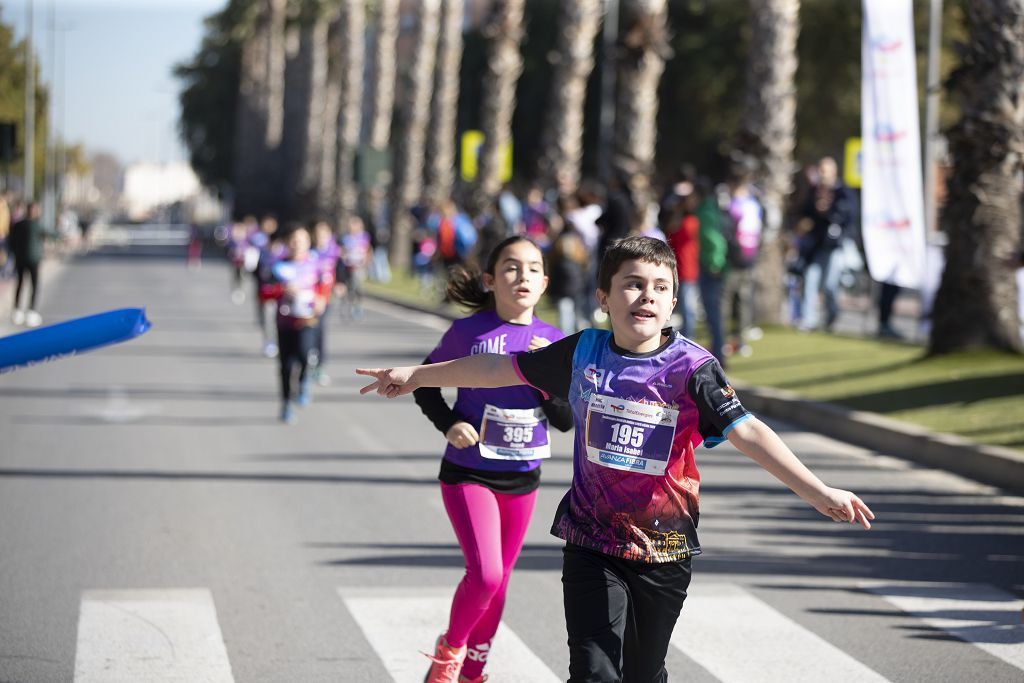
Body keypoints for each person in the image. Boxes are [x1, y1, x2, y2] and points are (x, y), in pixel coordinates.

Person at [357, 235, 875, 682]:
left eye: (660, 287)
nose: (646, 295)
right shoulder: (582, 351)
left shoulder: (694, 369)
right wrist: (418, 375)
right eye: (632, 284)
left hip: (663, 548)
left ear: (673, 302)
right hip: (591, 541)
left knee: (642, 673)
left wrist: (819, 492)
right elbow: (500, 369)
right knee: (594, 671)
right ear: (603, 297)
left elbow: (749, 432)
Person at [410, 236, 572, 683]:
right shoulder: (468, 333)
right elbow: (423, 382)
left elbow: (565, 420)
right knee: (484, 575)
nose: (522, 277)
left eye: (533, 269)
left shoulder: (555, 341)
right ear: (490, 280)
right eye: (511, 268)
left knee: (499, 583)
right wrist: (448, 424)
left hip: (523, 476)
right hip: (468, 471)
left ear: (544, 283)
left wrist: (546, 381)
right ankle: (450, 653)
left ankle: (472, 674)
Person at [260, 225, 332, 424]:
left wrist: (321, 299)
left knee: (304, 355)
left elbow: (325, 287)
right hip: (284, 322)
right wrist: (281, 290)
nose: (297, 244)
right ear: (287, 243)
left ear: (308, 243)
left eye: (301, 240)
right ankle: (285, 404)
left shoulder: (316, 265)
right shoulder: (277, 267)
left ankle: (303, 383)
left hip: (307, 320)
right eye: (293, 240)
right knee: (285, 366)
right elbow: (263, 293)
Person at [798, 157, 858, 332]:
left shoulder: (843, 192)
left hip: (834, 246)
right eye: (821, 170)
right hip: (815, 246)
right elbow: (805, 211)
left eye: (826, 171)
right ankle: (808, 320)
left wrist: (829, 211)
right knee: (810, 280)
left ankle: (831, 315)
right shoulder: (815, 191)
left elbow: (848, 216)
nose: (822, 174)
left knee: (830, 285)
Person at [9, 201, 53, 327]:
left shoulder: (18, 225)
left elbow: (11, 241)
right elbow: (49, 234)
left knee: (20, 283)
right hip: (34, 260)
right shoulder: (37, 225)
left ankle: (17, 310)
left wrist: (16, 253)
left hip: (20, 259)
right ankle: (31, 311)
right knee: (34, 285)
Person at [311, 219, 341, 385]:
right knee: (310, 330)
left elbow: (340, 268)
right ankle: (308, 358)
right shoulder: (309, 252)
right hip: (309, 299)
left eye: (324, 233)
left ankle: (319, 366)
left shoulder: (334, 251)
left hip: (325, 298)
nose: (321, 237)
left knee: (320, 329)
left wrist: (340, 283)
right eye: (318, 234)